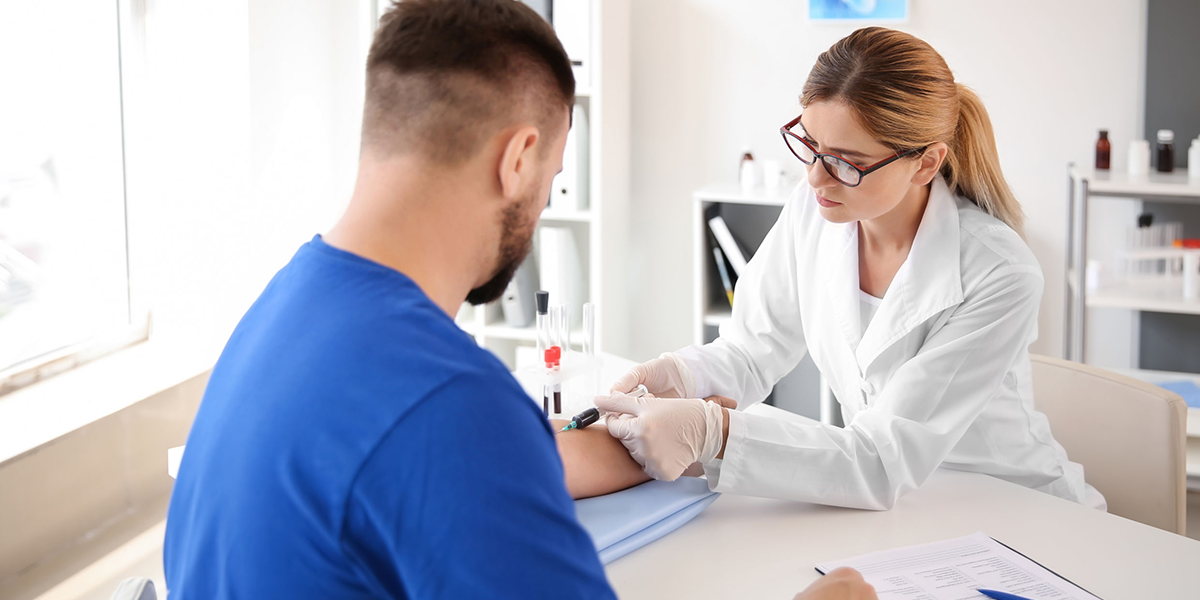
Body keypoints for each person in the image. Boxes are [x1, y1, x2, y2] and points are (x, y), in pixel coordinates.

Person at [164, 1, 875, 598]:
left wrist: (679, 433)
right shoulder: (446, 403)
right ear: (517, 159)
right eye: (553, 175)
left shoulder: (287, 306)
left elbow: (509, 459)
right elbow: (462, 442)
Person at [596, 27, 1106, 512]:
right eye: (811, 145)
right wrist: (681, 374)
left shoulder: (1000, 273)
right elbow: (752, 350)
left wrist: (717, 434)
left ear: (926, 164)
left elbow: (882, 457)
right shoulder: (815, 209)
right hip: (895, 503)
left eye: (847, 160)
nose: (817, 177)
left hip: (1014, 509)